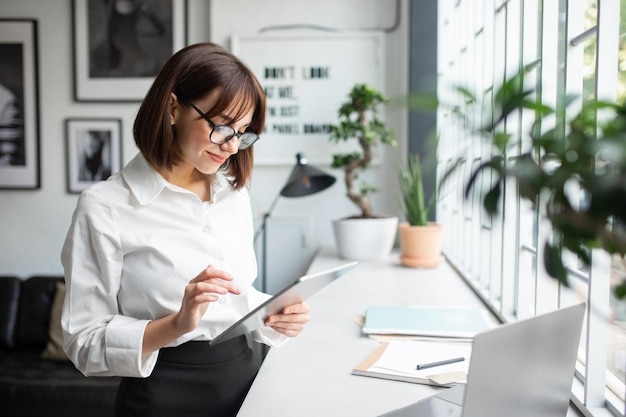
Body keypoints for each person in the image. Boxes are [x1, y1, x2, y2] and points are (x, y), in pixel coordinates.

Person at [61, 42, 311, 417]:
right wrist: (176, 324)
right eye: (222, 126)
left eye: (243, 132)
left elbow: (235, 300)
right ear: (174, 107)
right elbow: (83, 342)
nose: (231, 146)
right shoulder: (105, 207)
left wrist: (275, 316)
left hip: (247, 385)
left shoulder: (233, 195)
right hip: (163, 395)